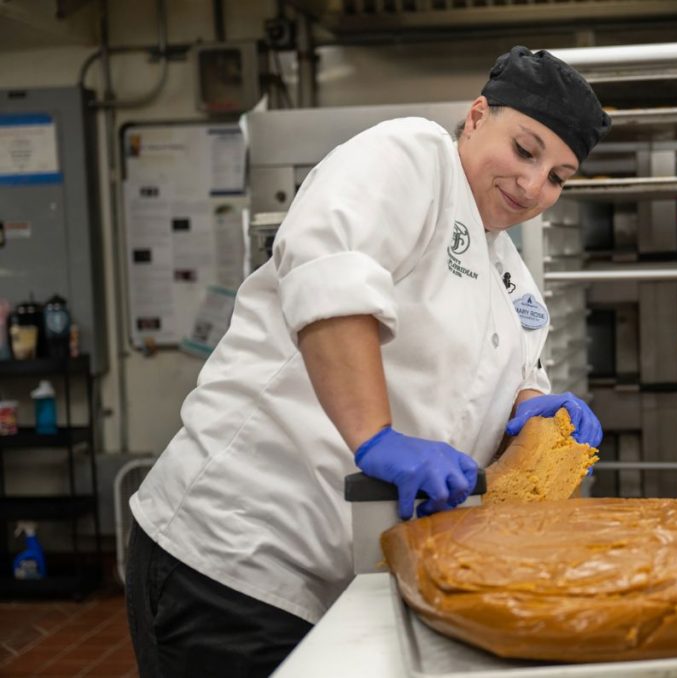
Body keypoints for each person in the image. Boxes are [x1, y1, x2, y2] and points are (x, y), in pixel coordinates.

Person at [125, 45, 611, 676]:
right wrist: (375, 437)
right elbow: (331, 277)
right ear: (476, 116)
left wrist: (531, 407)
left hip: (345, 579)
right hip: (235, 552)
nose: (532, 184)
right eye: (525, 149)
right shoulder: (412, 157)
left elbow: (509, 378)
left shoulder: (511, 275)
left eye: (557, 177)